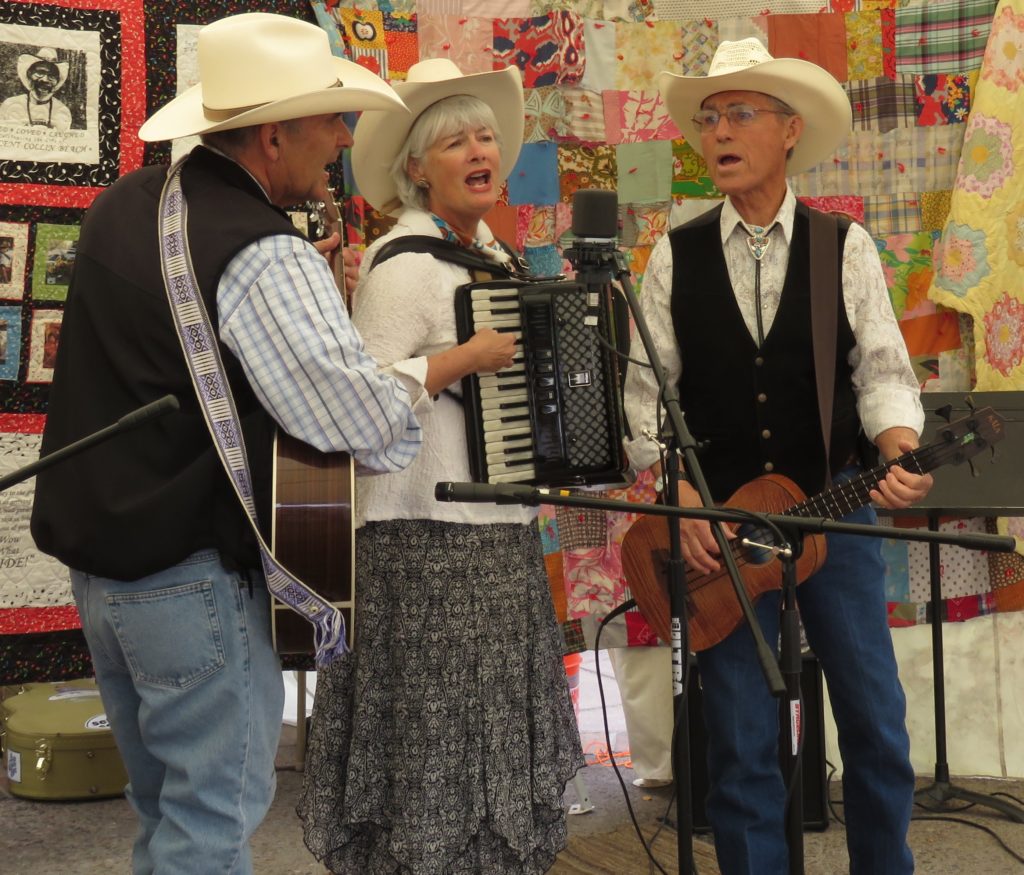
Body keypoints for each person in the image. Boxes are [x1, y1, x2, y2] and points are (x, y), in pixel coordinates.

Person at [30, 13, 425, 875]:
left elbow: (173, 361)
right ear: (273, 134)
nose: (343, 138)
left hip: (105, 579)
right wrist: (420, 378)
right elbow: (362, 426)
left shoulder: (126, 203)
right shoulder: (261, 251)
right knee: (209, 828)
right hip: (191, 584)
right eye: (330, 119)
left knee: (164, 817)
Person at [622, 39, 934, 875]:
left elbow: (883, 375)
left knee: (876, 723)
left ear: (790, 131)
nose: (718, 131)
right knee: (741, 742)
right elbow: (647, 401)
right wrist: (679, 488)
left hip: (837, 502)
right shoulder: (671, 256)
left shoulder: (846, 245)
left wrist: (899, 445)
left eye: (740, 114)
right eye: (709, 118)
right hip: (720, 530)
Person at [298, 58, 585, 874]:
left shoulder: (500, 260)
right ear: (418, 168)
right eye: (455, 140)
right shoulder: (402, 265)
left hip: (496, 532)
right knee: (434, 729)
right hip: (416, 537)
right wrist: (460, 359)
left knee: (490, 724)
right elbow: (359, 405)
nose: (477, 150)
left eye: (486, 136)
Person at [0, 47, 73, 129]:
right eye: (40, 72)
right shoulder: (9, 106)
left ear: (57, 81)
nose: (45, 80)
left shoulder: (62, 112)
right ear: (29, 74)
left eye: (52, 76)